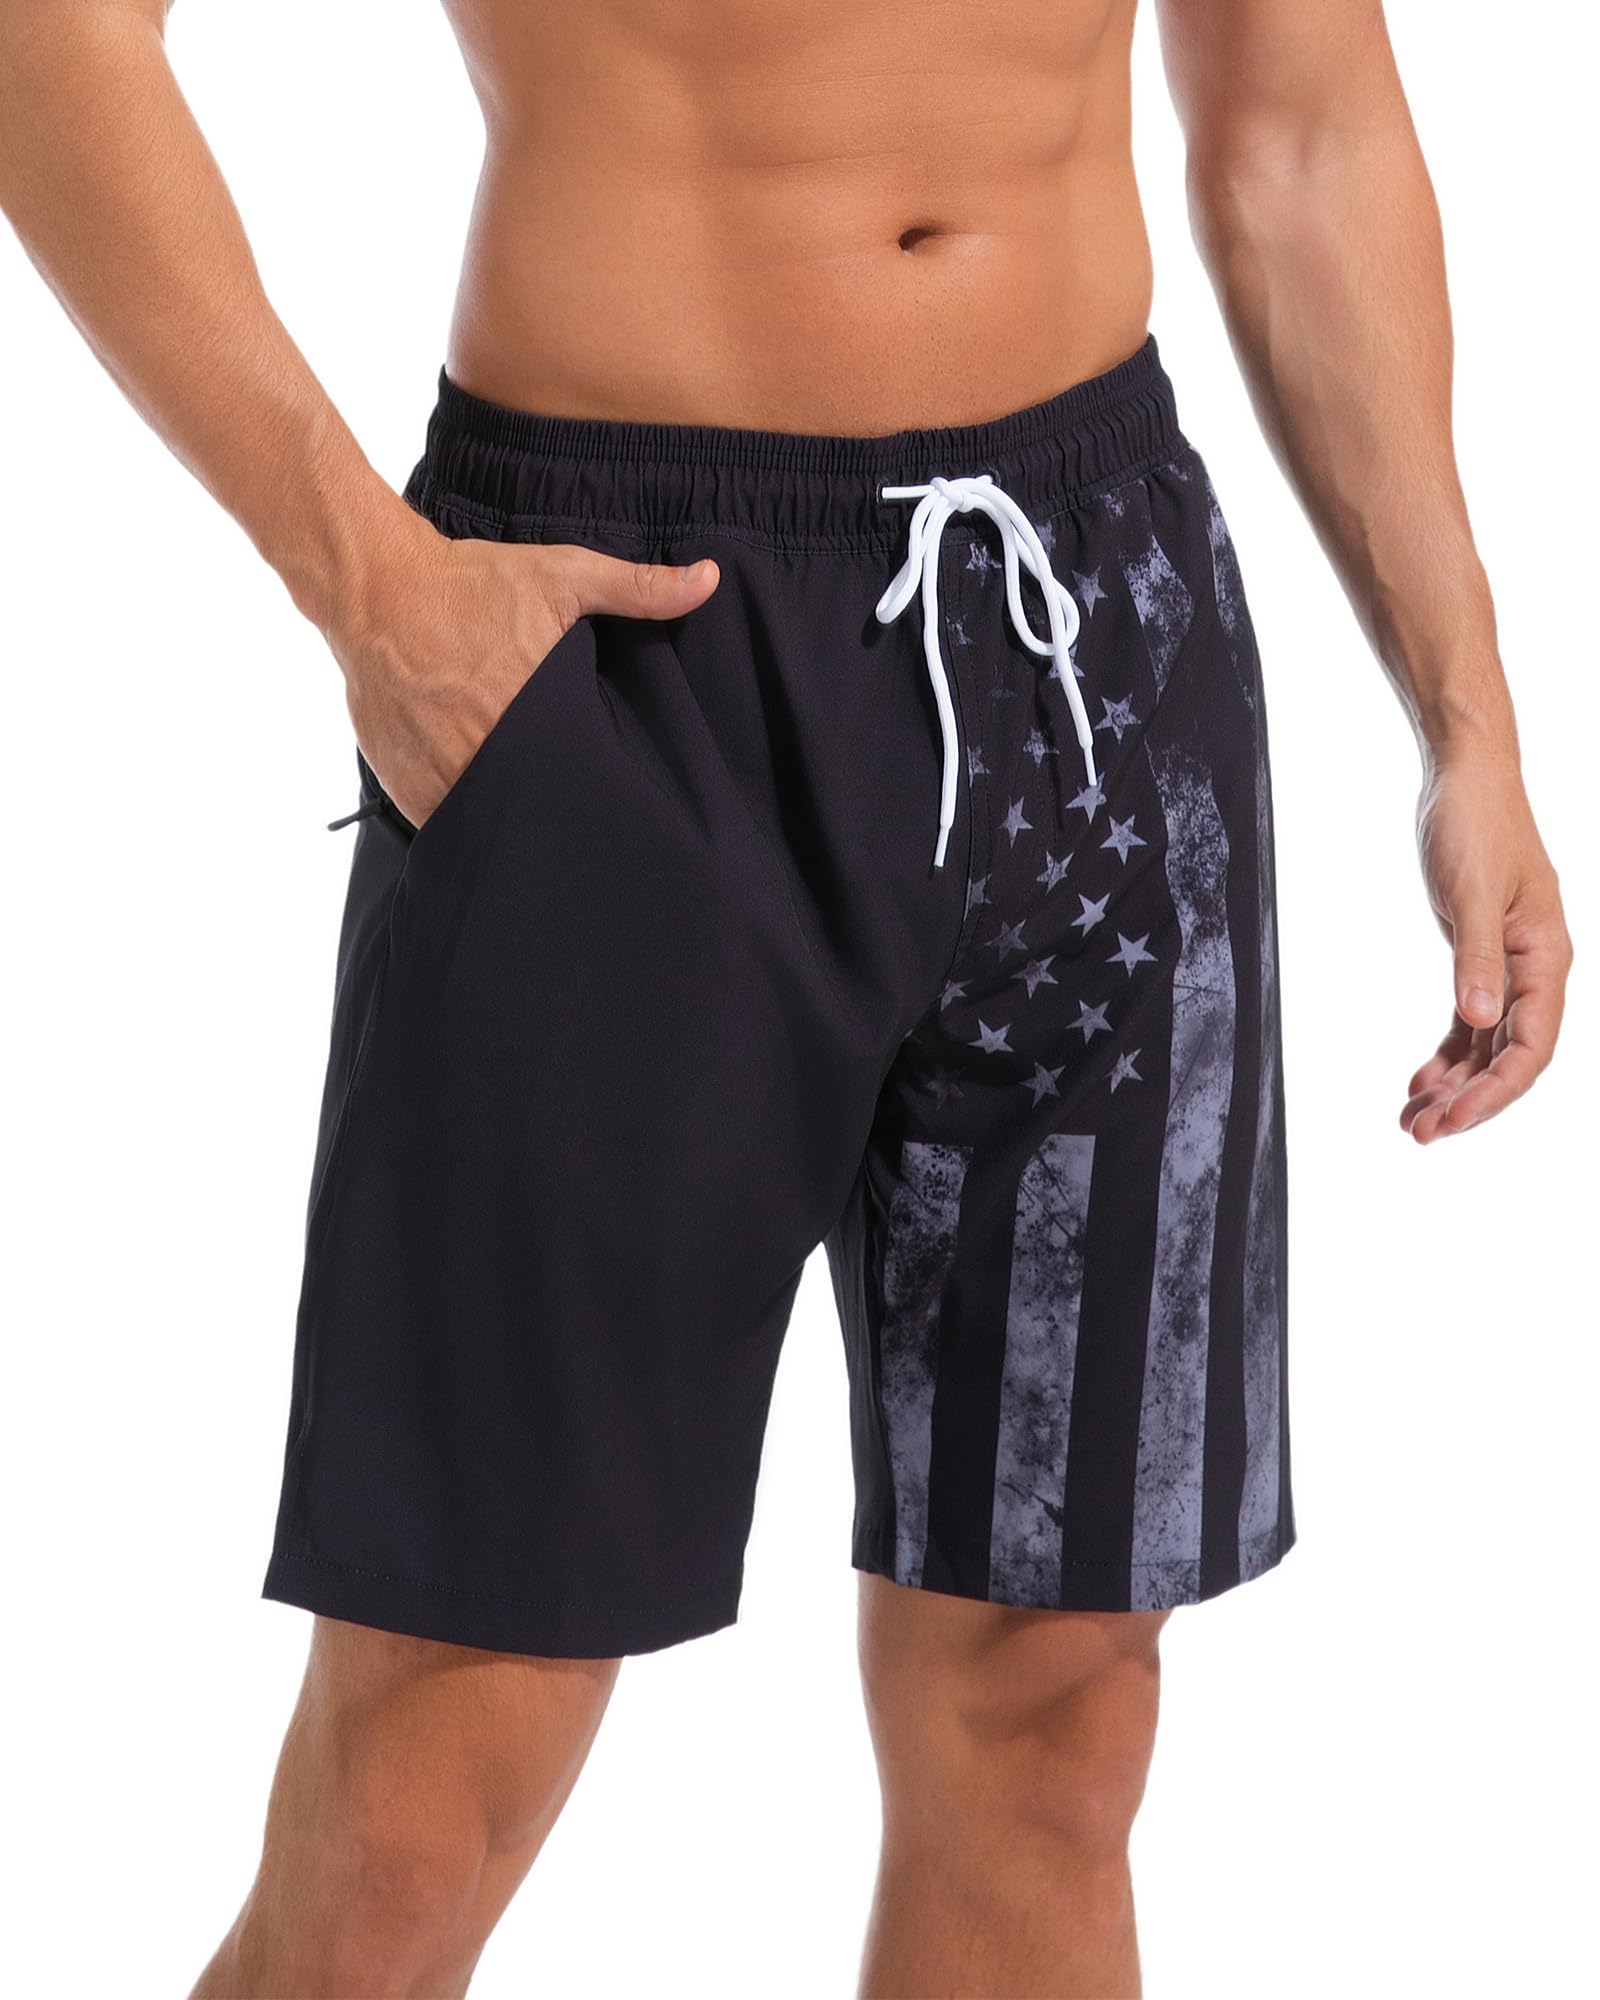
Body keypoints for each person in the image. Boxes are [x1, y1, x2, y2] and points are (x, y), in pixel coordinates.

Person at [0, 0, 1572, 1994]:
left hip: (1098, 656)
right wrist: (371, 588)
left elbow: (1298, 121)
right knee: (425, 1785)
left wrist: (1465, 721)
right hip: (622, 653)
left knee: (1057, 1720)